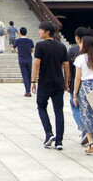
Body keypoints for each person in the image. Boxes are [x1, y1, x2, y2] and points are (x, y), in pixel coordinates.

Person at [31, 21, 69, 150]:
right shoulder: (61, 47)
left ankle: (49, 133)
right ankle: (59, 141)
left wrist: (33, 81)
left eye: (41, 29)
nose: (39, 31)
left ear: (47, 31)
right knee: (58, 111)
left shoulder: (40, 46)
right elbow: (66, 66)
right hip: (58, 81)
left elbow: (36, 64)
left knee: (41, 106)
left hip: (45, 81)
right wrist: (66, 82)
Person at [69, 28, 88, 145]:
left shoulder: (72, 51)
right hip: (92, 86)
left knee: (75, 107)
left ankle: (84, 129)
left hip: (77, 84)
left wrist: (67, 82)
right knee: (90, 110)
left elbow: (70, 70)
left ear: (77, 37)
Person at [13, 26, 34, 97]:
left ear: (20, 33)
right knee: (29, 75)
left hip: (21, 59)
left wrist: (17, 52)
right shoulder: (30, 41)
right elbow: (32, 50)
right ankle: (28, 90)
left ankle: (27, 91)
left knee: (24, 75)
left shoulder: (18, 41)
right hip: (29, 59)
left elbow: (13, 48)